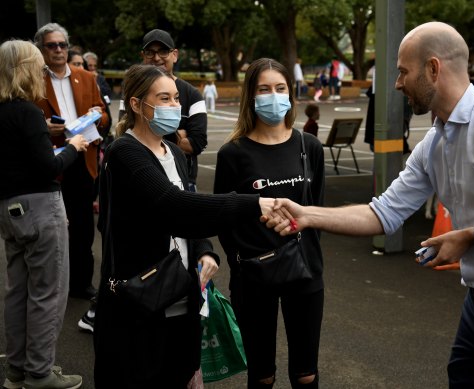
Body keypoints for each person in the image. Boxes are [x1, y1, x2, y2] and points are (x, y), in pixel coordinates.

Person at [267, 22, 474, 389]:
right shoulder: (435, 142)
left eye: (403, 72)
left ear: (433, 69)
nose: (398, 83)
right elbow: (383, 212)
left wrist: (471, 236)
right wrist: (307, 215)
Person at [92, 64, 278, 388]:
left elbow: (187, 210)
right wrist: (253, 203)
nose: (174, 106)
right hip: (139, 304)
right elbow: (174, 206)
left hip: (180, 301)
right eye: (163, 98)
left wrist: (206, 250)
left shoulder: (174, 153)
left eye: (176, 98)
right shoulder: (125, 152)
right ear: (136, 105)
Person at [214, 58, 325, 388]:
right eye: (263, 89)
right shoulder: (232, 153)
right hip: (254, 277)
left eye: (280, 89)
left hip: (305, 272)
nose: (273, 96)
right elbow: (225, 217)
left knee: (306, 374)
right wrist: (242, 261)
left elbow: (317, 210)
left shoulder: (310, 146)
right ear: (250, 96)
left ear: (291, 95)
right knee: (262, 375)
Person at [0, 39, 89, 389]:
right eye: (36, 66)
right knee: (48, 293)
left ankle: (17, 369)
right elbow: (47, 167)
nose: (42, 72)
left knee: (18, 291)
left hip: (9, 210)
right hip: (40, 207)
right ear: (24, 70)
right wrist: (73, 147)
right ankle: (40, 372)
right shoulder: (27, 112)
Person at [34, 23, 110, 300]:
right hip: (52, 160)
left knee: (83, 228)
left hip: (83, 158)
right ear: (41, 50)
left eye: (62, 44)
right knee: (51, 230)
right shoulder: (33, 79)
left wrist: (95, 115)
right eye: (51, 45)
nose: (58, 50)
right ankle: (53, 285)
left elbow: (103, 114)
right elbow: (26, 119)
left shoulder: (86, 77)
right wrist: (44, 127)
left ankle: (81, 283)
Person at [141, 29, 207, 191]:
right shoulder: (133, 92)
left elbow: (197, 144)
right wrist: (179, 133)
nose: (156, 58)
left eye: (163, 51)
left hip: (184, 179)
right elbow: (125, 134)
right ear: (143, 56)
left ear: (174, 55)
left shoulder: (192, 94)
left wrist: (150, 131)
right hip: (143, 177)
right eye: (150, 52)